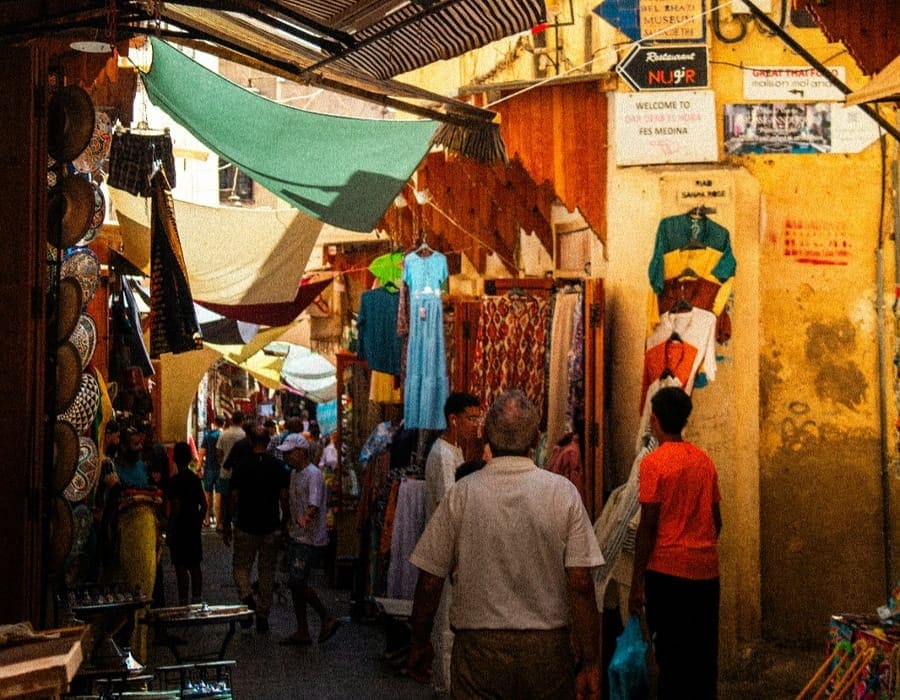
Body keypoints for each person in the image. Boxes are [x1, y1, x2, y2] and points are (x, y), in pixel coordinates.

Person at [408, 390, 604, 699]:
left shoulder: (462, 494)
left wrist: (419, 641)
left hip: (478, 652)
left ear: (485, 434)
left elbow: (431, 581)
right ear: (536, 438)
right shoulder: (561, 493)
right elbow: (580, 583)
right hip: (547, 652)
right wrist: (591, 662)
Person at [628, 386, 722, 699]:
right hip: (705, 573)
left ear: (654, 420)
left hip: (667, 574)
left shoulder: (653, 464)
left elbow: (648, 527)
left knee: (671, 657)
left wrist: (636, 582)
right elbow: (716, 520)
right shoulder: (704, 461)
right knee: (702, 657)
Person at [421, 391, 481, 695]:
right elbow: (450, 504)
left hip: (453, 548)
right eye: (471, 418)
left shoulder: (454, 450)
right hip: (448, 549)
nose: (476, 425)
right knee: (446, 622)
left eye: (478, 418)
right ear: (453, 419)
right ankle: (446, 687)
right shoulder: (444, 454)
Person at [223, 425, 290, 632]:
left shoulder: (241, 466)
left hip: (246, 525)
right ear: (269, 441)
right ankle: (263, 615)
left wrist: (227, 522)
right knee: (267, 571)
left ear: (250, 441)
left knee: (241, 567)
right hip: (270, 525)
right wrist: (285, 520)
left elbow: (233, 496)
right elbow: (283, 497)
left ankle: (246, 596)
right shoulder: (278, 466)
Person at [277, 433, 341, 646]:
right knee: (296, 583)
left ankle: (326, 617)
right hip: (298, 535)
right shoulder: (295, 474)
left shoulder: (313, 474)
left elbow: (313, 503)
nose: (286, 457)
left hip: (310, 538)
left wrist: (305, 518)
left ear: (301, 452)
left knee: (297, 581)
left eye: (289, 453)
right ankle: (302, 629)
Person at [166, 441, 207, 605]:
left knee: (181, 565)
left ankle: (183, 600)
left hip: (179, 527)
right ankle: (197, 597)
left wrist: (170, 528)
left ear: (175, 458)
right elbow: (204, 504)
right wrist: (198, 520)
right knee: (195, 565)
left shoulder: (174, 482)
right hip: (192, 525)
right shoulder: (195, 480)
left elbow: (176, 506)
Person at [199, 416, 223, 527]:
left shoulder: (208, 435)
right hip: (220, 469)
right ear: (223, 424)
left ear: (215, 423)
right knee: (219, 496)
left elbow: (202, 452)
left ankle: (207, 519)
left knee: (207, 495)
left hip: (209, 467)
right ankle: (218, 522)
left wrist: (199, 466)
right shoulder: (223, 436)